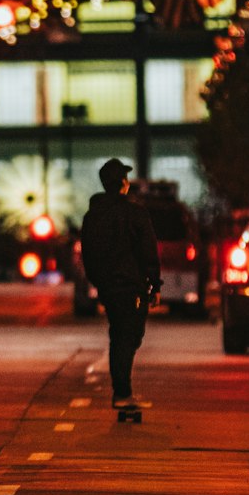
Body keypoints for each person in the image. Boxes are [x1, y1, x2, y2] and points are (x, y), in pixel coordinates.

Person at [80, 158, 162, 410]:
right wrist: (154, 284)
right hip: (130, 286)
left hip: (108, 287)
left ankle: (122, 391)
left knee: (119, 334)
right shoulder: (134, 213)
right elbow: (148, 250)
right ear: (123, 183)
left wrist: (99, 281)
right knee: (129, 336)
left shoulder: (92, 216)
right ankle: (122, 393)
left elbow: (87, 253)